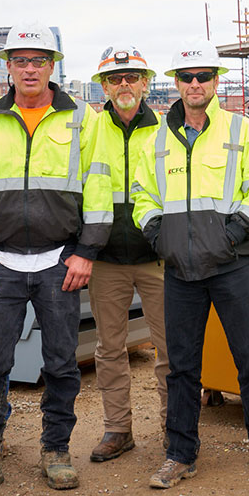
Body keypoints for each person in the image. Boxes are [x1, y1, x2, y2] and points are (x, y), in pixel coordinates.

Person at [0, 23, 113, 496]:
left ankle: (56, 450)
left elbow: (100, 190)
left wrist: (86, 252)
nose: (29, 68)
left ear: (52, 66)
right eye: (20, 60)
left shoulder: (83, 119)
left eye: (39, 60)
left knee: (62, 364)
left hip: (59, 262)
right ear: (7, 67)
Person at [132, 38, 249, 489]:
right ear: (176, 83)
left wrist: (233, 233)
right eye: (186, 77)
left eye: (204, 75)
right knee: (181, 366)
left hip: (231, 267)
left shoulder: (243, 132)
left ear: (216, 81)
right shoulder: (158, 140)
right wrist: (157, 235)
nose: (195, 83)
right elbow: (143, 196)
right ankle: (180, 454)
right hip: (180, 273)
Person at [83, 45, 170, 463]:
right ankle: (118, 429)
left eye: (132, 77)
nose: (124, 85)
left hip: (158, 259)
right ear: (104, 85)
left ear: (146, 82)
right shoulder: (89, 129)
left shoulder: (168, 130)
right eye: (115, 79)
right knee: (110, 348)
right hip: (106, 259)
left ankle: (176, 428)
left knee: (172, 349)